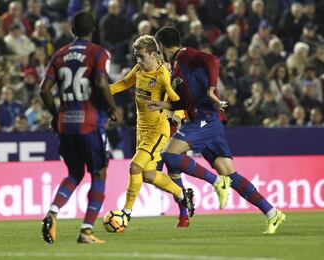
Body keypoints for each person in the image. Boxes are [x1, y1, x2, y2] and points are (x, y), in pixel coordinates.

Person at [150, 26, 286, 234]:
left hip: (206, 119)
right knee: (230, 175)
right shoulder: (176, 68)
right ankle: (272, 213)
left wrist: (211, 88)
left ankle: (215, 183)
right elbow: (185, 103)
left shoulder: (185, 54)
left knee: (169, 154)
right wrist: (164, 105)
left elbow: (213, 60)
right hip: (204, 121)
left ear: (161, 45)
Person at [40, 11, 119, 244]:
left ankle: (53, 211)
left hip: (65, 124)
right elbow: (101, 82)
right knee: (99, 172)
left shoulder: (59, 55)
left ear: (72, 30)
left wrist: (56, 115)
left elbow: (44, 90)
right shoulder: (99, 53)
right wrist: (112, 107)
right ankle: (86, 230)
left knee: (74, 173)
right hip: (90, 122)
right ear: (93, 29)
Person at [109, 35, 194, 224]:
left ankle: (126, 213)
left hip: (157, 130)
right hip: (141, 130)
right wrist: (105, 91)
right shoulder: (139, 69)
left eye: (141, 56)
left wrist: (178, 116)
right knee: (148, 175)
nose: (139, 61)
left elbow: (177, 99)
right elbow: (124, 83)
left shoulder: (162, 75)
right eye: (136, 57)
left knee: (134, 167)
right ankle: (182, 193)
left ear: (154, 54)